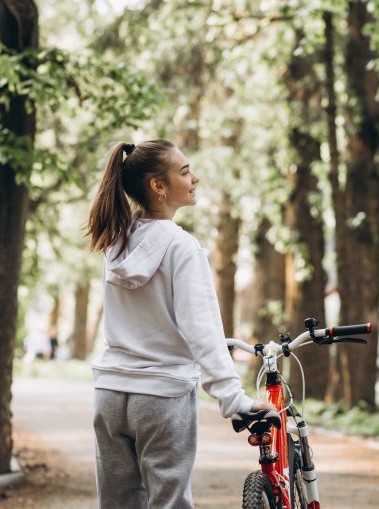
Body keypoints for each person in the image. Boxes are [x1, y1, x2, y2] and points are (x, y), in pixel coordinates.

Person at [86, 139, 275, 509]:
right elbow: (202, 329)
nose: (195, 179)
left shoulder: (116, 241)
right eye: (185, 172)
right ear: (158, 185)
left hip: (110, 393)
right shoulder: (181, 246)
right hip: (161, 396)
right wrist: (232, 398)